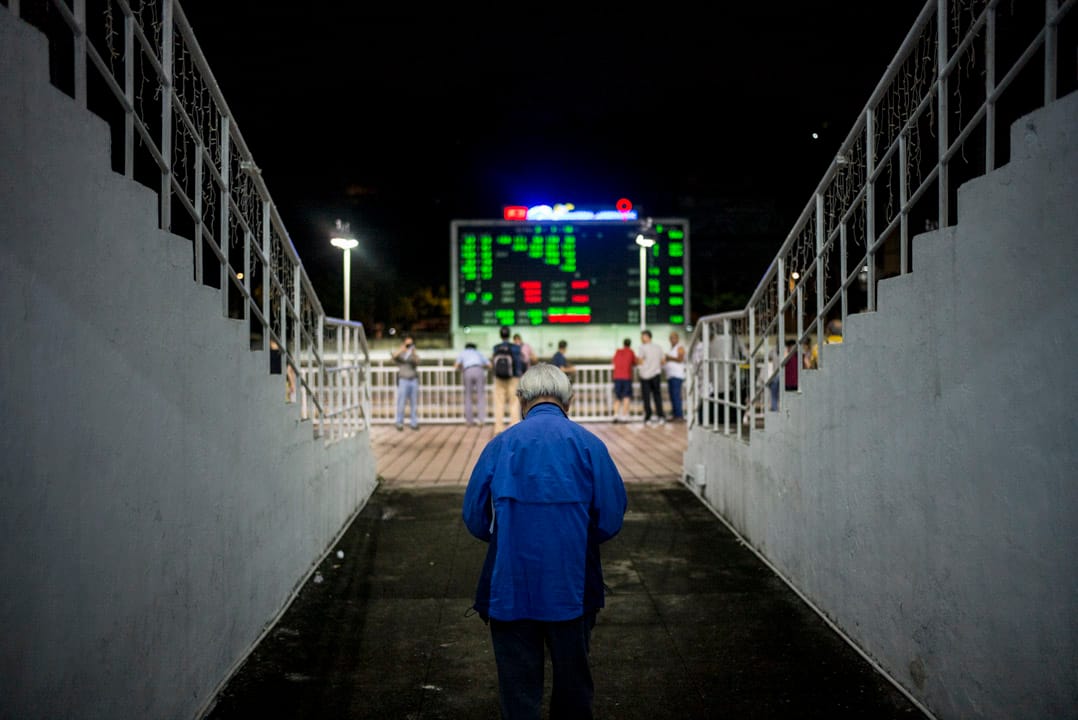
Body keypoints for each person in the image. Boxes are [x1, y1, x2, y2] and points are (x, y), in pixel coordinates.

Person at [462, 363, 628, 720]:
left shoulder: (500, 444)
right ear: (570, 402)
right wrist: (580, 537)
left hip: (509, 588)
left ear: (522, 400)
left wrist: (505, 536)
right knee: (573, 690)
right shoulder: (590, 445)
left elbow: (475, 518)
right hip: (573, 587)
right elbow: (611, 517)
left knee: (518, 693)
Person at [491, 326, 524, 435]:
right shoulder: (515, 348)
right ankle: (514, 426)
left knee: (499, 403)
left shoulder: (496, 348)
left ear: (500, 335)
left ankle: (498, 428)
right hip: (513, 378)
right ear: (509, 335)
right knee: (514, 402)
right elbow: (519, 362)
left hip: (499, 378)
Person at [455, 342, 491, 426]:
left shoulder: (463, 353)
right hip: (479, 370)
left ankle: (469, 421)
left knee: (468, 396)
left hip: (467, 370)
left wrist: (462, 368)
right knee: (480, 396)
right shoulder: (478, 353)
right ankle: (481, 420)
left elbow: (456, 365)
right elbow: (489, 365)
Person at [635, 329, 666, 426]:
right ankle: (661, 416)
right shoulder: (658, 347)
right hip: (656, 374)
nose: (641, 338)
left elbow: (639, 360)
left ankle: (648, 417)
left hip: (645, 376)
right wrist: (656, 366)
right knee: (657, 396)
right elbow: (663, 361)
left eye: (642, 336)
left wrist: (642, 368)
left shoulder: (642, 348)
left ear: (647, 337)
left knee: (646, 397)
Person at [392, 334, 420, 431]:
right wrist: (402, 349)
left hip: (413, 380)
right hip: (403, 380)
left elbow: (417, 362)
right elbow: (393, 356)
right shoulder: (401, 355)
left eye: (411, 344)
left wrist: (413, 352)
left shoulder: (413, 355)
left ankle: (414, 423)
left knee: (414, 403)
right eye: (407, 344)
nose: (409, 346)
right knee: (401, 403)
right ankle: (399, 423)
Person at [664, 331, 686, 421]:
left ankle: (679, 415)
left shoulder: (680, 348)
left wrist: (669, 358)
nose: (672, 340)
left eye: (674, 338)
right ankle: (675, 414)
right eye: (671, 338)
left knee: (676, 395)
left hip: (677, 375)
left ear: (677, 339)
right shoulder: (671, 349)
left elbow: (680, 359)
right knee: (672, 396)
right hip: (670, 375)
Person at [611, 338, 635, 422]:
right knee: (626, 396)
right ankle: (624, 416)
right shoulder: (630, 352)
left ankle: (615, 415)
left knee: (617, 397)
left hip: (617, 377)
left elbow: (613, 361)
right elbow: (634, 362)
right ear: (630, 344)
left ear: (623, 343)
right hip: (626, 377)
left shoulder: (618, 351)